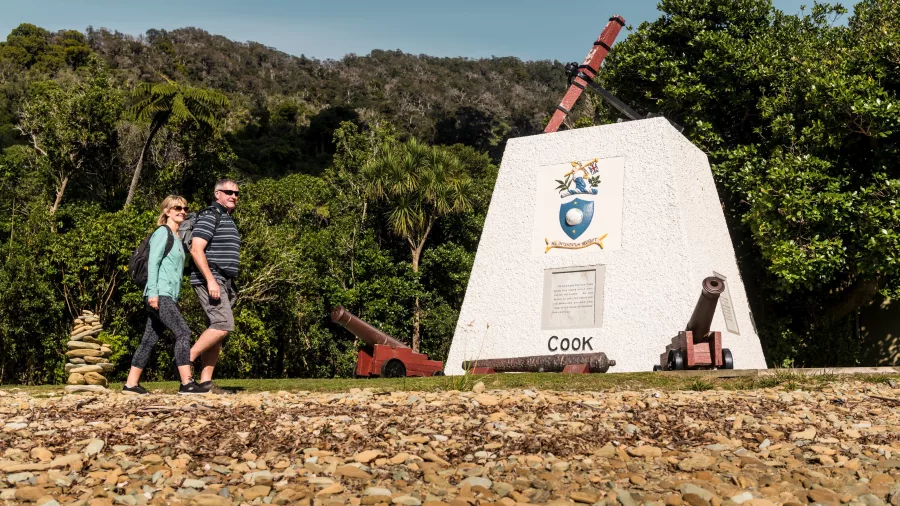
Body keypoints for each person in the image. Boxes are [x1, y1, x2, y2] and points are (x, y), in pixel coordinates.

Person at [124, 196, 206, 395]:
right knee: (183, 332)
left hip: (167, 295)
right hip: (160, 294)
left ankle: (130, 384)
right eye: (177, 207)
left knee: (149, 340)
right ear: (167, 211)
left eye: (185, 208)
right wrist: (153, 293)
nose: (182, 211)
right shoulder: (163, 233)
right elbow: (153, 263)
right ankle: (187, 382)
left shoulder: (178, 238)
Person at [188, 178, 241, 394]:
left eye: (237, 193)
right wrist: (211, 280)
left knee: (217, 329)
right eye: (228, 192)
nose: (233, 196)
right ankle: (185, 359)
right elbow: (196, 249)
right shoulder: (211, 215)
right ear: (217, 193)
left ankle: (205, 382)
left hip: (224, 281)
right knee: (223, 324)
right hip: (211, 279)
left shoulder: (227, 219)